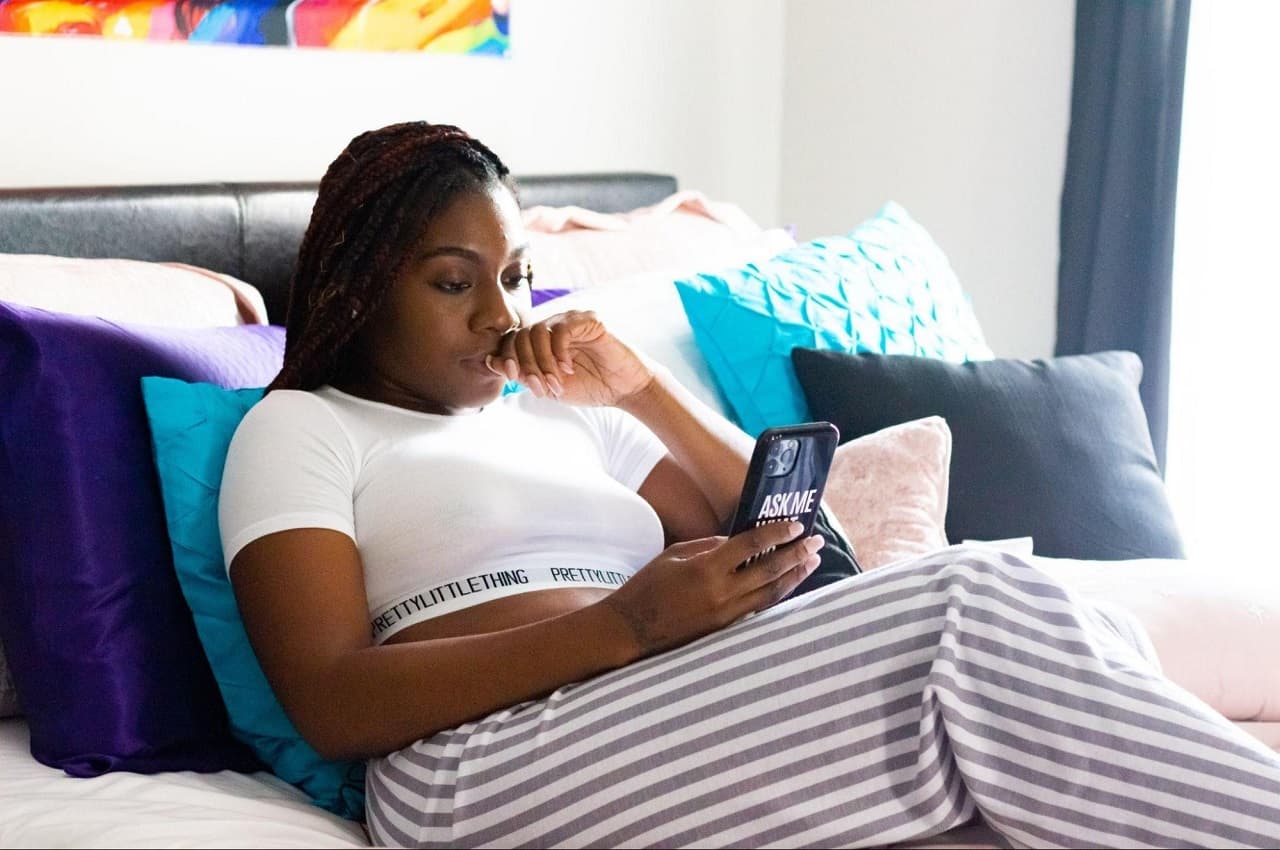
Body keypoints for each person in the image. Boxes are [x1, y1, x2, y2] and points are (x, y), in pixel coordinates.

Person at [219, 121, 1280, 849]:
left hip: (656, 703)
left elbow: (809, 546)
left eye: (511, 277)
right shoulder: (300, 428)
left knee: (997, 780)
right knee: (970, 604)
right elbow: (330, 700)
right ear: (359, 287)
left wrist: (639, 393)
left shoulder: (557, 409)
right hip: (473, 767)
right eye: (454, 282)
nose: (497, 315)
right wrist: (628, 624)